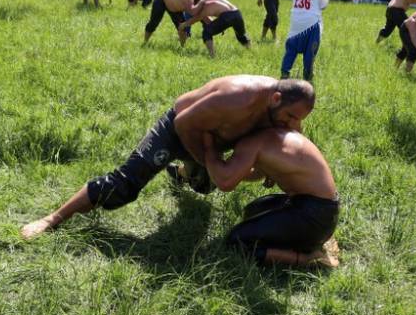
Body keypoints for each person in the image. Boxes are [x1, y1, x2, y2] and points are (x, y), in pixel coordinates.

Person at [20, 76, 316, 240]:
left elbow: (285, 143)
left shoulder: (283, 114)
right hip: (177, 129)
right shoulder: (238, 97)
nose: (292, 126)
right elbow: (184, 123)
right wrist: (205, 160)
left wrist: (271, 170)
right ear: (275, 99)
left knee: (205, 187)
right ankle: (53, 218)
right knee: (124, 187)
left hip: (210, 143)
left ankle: (180, 173)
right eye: (290, 117)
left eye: (297, 120)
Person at [203, 128, 340, 268]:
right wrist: (235, 170)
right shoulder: (274, 134)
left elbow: (224, 182)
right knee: (253, 210)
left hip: (314, 215)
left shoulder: (256, 141)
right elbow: (258, 174)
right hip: (320, 210)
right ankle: (316, 240)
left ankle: (308, 258)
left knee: (237, 242)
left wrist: (209, 149)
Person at [281, 0, 329, 82]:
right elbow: (323, 5)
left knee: (291, 49)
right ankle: (307, 77)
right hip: (312, 23)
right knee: (310, 52)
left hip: (296, 20)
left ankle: (284, 73)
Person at [178, 0, 251, 57]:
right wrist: (219, 27)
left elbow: (197, 18)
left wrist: (184, 24)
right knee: (241, 35)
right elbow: (208, 20)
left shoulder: (206, 5)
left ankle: (212, 55)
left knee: (206, 32)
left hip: (227, 16)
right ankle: (250, 51)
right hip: (237, 13)